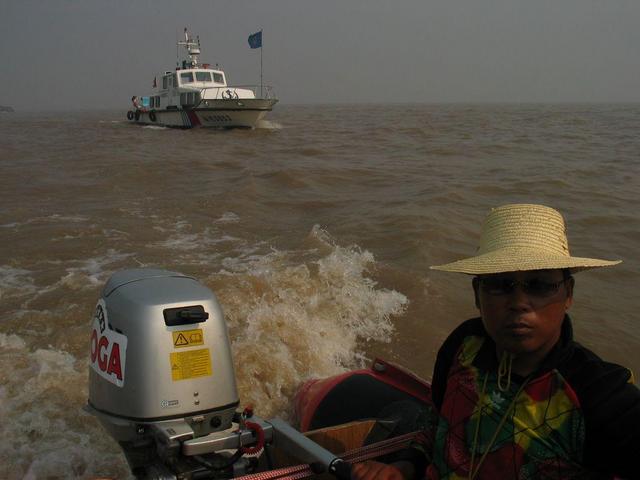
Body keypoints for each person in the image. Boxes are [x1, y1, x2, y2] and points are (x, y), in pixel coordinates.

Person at [352, 203, 640, 480]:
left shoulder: (598, 394)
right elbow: (438, 421)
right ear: (477, 294)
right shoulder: (464, 347)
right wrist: (406, 465)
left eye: (539, 285)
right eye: (500, 285)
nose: (518, 303)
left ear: (568, 294)